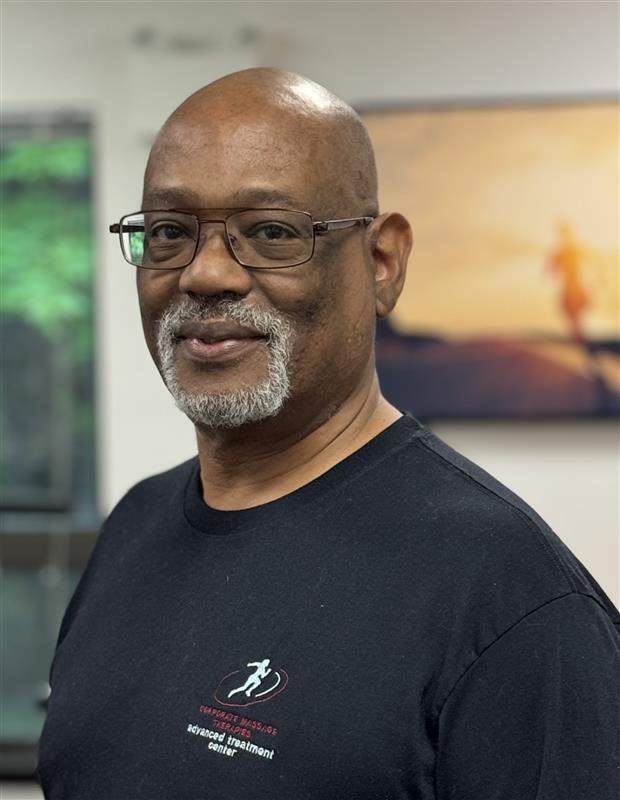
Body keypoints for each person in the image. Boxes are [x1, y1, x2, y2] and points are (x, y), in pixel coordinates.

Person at [38, 68, 620, 800]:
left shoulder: (513, 601)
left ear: (383, 263)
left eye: (271, 232)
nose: (206, 274)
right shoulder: (134, 526)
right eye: (169, 233)